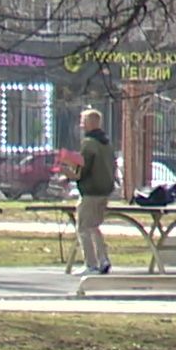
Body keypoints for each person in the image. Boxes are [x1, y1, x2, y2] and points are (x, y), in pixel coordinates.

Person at [72, 109, 115, 276]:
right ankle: (103, 259)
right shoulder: (107, 143)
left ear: (90, 123)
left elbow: (82, 170)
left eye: (83, 121)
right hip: (104, 191)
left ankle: (90, 264)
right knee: (94, 227)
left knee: (83, 227)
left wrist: (67, 171)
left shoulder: (88, 143)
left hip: (90, 192)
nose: (81, 124)